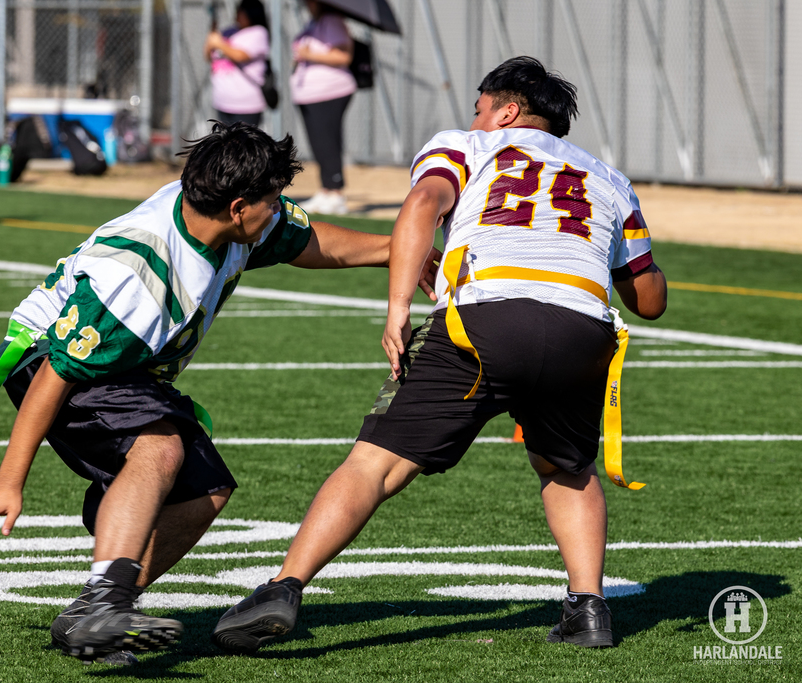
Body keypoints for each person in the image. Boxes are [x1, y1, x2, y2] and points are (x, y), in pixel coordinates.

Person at [211, 56, 668, 653]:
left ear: (506, 110)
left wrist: (398, 305)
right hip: (583, 329)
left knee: (376, 462)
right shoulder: (608, 177)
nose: (474, 117)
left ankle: (282, 589)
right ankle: (589, 609)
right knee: (567, 467)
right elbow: (649, 299)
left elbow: (425, 205)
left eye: (480, 107)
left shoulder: (467, 145)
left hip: (487, 316)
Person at [0, 122, 439, 664]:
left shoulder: (225, 218)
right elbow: (57, 373)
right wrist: (10, 478)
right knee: (160, 446)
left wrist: (398, 251)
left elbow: (309, 241)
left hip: (124, 366)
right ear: (238, 207)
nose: (280, 208)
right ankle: (105, 600)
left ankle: (92, 614)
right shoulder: (139, 273)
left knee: (203, 492)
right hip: (48, 357)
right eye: (273, 199)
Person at [292, 0, 356, 216]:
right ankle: (326, 189)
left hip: (330, 92)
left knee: (328, 142)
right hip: (309, 95)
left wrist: (309, 54)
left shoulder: (332, 21)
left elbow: (343, 55)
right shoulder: (314, 23)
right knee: (318, 143)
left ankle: (336, 193)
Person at [205, 0, 270, 127]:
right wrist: (211, 34)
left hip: (246, 105)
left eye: (241, 11)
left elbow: (239, 56)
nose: (237, 14)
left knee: (242, 145)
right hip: (222, 101)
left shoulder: (258, 32)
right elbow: (209, 55)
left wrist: (219, 43)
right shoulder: (229, 31)